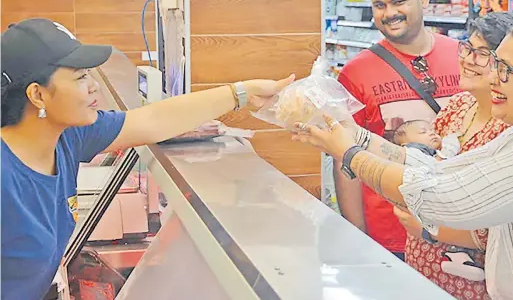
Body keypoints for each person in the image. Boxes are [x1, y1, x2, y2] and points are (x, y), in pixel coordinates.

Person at [0, 18, 294, 300]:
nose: (94, 87)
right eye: (80, 77)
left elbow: (153, 120)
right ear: (37, 95)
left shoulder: (68, 136)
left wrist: (242, 92)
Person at [293, 8, 513, 300]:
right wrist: (352, 133)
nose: (494, 76)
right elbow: (437, 168)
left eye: (506, 69)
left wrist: (350, 153)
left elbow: (440, 195)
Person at [333, 0, 461, 260]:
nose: (389, 13)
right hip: (389, 237)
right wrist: (357, 237)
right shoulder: (355, 73)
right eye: (379, 5)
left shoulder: (463, 57)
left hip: (457, 227)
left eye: (398, 1)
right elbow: (346, 159)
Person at [393, 11, 513, 299]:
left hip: (472, 284)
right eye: (468, 48)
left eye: (484, 53)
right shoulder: (458, 105)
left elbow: (501, 227)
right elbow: (426, 164)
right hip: (421, 271)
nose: (469, 59)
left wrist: (429, 229)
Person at [391, 119, 460, 159]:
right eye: (423, 132)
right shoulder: (412, 151)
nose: (432, 133)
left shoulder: (440, 149)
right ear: (405, 144)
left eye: (433, 131)